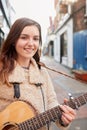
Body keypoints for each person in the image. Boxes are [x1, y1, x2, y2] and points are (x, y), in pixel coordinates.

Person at [0, 17, 76, 130]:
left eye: (35, 39)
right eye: (24, 37)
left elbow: (51, 101)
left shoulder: (43, 73)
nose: (31, 43)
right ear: (13, 40)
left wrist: (62, 119)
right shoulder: (2, 70)